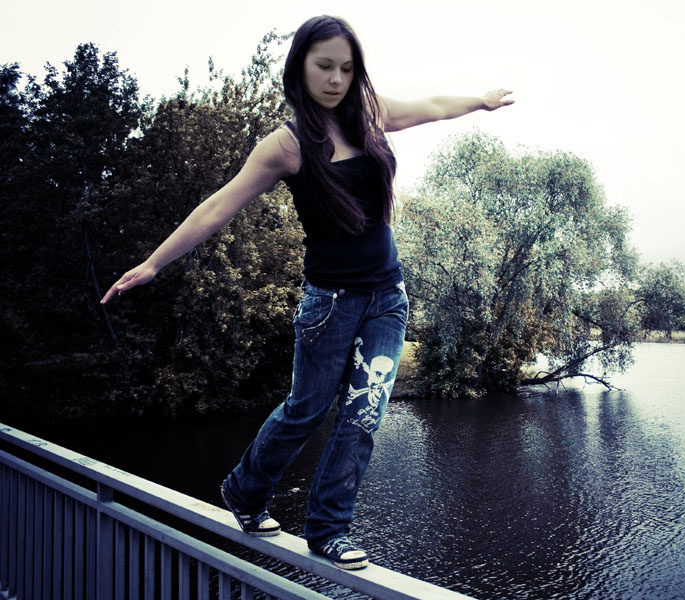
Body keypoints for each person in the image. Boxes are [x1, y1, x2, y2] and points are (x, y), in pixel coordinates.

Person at [100, 15, 514, 570]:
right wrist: (154, 263)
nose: (336, 79)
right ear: (300, 67)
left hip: (387, 298)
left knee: (363, 414)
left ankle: (328, 529)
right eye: (324, 66)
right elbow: (218, 206)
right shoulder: (286, 145)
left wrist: (479, 102)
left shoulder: (371, 115)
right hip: (330, 304)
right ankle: (246, 490)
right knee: (306, 410)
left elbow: (432, 105)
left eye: (347, 68)